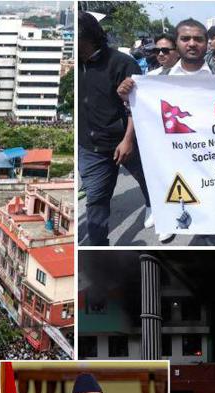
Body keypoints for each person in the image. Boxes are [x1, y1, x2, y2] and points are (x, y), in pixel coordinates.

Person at [118, 18, 215, 246]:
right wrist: (127, 96)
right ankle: (170, 226)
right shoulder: (153, 81)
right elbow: (138, 112)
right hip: (174, 160)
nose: (192, 43)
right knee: (178, 206)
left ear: (207, 44)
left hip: (213, 163)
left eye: (198, 39)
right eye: (185, 38)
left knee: (214, 223)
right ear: (177, 43)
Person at [78, 10, 152, 246]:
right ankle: (98, 248)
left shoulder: (123, 63)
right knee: (96, 199)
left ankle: (156, 209)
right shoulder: (77, 65)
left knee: (148, 180)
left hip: (126, 142)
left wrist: (128, 139)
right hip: (91, 147)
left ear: (87, 37)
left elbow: (137, 106)